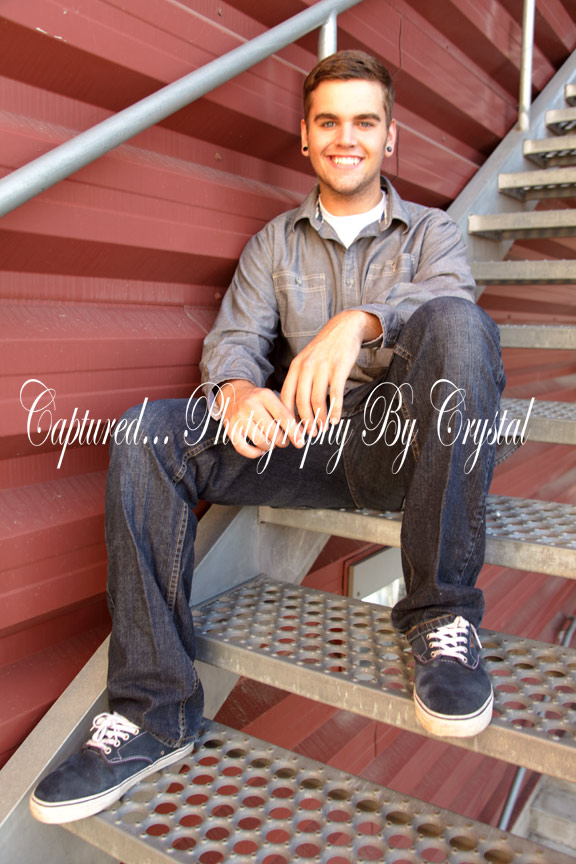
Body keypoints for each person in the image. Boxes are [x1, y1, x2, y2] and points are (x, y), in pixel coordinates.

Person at [30, 50, 506, 825]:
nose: (346, 138)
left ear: (390, 137)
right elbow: (234, 341)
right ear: (305, 136)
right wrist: (239, 390)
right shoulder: (273, 244)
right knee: (148, 433)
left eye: (365, 122)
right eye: (329, 122)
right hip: (308, 443)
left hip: (406, 446)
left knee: (460, 323)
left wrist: (359, 322)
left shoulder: (433, 233)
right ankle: (153, 709)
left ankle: (440, 614)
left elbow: (449, 306)